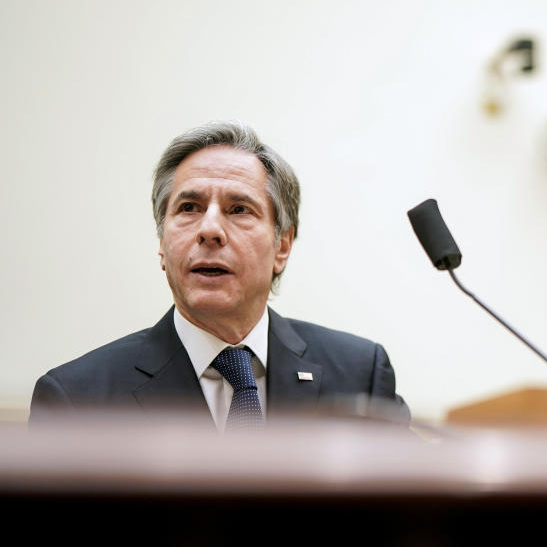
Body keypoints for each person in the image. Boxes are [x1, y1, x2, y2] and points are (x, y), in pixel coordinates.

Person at [30, 121, 408, 430]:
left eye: (239, 209)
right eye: (189, 207)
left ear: (283, 245)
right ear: (162, 242)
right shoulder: (77, 401)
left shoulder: (360, 374)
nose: (209, 229)